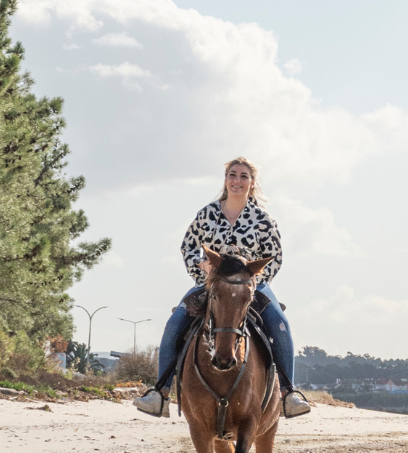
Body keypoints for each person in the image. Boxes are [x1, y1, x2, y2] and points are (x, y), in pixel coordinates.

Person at [133, 157, 311, 419]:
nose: (237, 180)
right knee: (174, 323)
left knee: (280, 323)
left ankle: (289, 394)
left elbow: (274, 256)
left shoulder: (263, 219)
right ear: (226, 179)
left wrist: (250, 282)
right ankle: (160, 393)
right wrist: (203, 267)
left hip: (250, 286)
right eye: (232, 174)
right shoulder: (207, 214)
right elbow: (188, 247)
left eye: (243, 176)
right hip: (210, 284)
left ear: (252, 184)